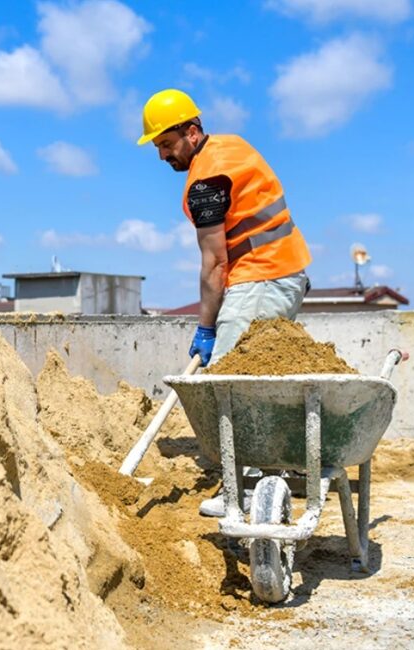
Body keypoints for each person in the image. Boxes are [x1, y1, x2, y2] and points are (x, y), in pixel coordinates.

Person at [137, 89, 313, 516]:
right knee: (256, 380)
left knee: (232, 384)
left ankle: (249, 488)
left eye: (166, 143)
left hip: (262, 277)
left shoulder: (206, 181)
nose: (161, 155)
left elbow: (214, 263)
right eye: (157, 146)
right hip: (281, 271)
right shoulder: (230, 146)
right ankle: (278, 470)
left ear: (191, 132)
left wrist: (207, 326)